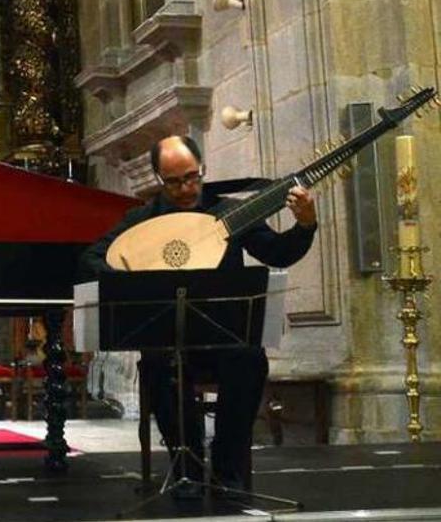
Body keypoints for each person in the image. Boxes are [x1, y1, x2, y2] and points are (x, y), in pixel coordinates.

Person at [78, 135, 318, 493]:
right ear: (159, 178)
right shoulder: (141, 220)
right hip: (168, 340)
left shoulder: (228, 214)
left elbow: (278, 253)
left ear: (202, 169)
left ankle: (227, 463)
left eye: (192, 176)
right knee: (158, 366)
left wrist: (305, 225)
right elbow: (90, 259)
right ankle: (186, 466)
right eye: (174, 181)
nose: (186, 188)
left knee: (250, 359)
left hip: (223, 338)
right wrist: (133, 279)